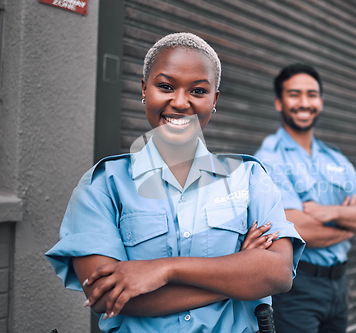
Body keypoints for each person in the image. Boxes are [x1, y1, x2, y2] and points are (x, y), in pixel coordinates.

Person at [46, 32, 304, 333]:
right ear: (144, 89)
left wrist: (164, 270)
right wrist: (240, 273)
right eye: (165, 86)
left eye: (198, 91)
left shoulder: (250, 178)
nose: (180, 102)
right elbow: (105, 296)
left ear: (214, 99)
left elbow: (278, 273)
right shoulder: (103, 186)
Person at [255, 63, 356, 333]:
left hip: (339, 286)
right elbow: (300, 230)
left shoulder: (334, 157)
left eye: (312, 95)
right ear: (279, 103)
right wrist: (351, 223)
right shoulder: (270, 158)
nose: (304, 102)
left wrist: (330, 213)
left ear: (321, 102)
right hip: (297, 289)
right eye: (295, 94)